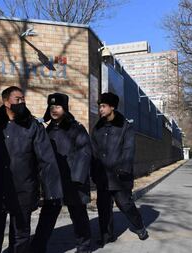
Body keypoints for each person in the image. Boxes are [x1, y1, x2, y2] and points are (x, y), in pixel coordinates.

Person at [0, 86, 63, 253]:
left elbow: (46, 160)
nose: (22, 102)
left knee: (20, 234)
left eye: (23, 99)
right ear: (6, 102)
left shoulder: (33, 126)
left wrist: (52, 191)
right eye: (17, 100)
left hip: (23, 189)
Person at [31, 93, 92, 253]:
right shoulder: (45, 130)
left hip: (73, 182)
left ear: (65, 108)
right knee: (47, 217)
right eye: (51, 107)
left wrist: (77, 178)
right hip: (53, 183)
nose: (54, 110)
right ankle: (38, 247)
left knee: (79, 217)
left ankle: (84, 247)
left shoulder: (76, 129)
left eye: (57, 106)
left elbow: (84, 152)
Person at [91, 92, 149, 247]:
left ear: (112, 107)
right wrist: (94, 171)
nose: (100, 109)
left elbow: (129, 149)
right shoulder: (97, 127)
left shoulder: (125, 126)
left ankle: (139, 226)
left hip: (119, 176)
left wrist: (123, 169)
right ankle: (107, 236)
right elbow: (93, 151)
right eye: (99, 106)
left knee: (125, 204)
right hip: (103, 176)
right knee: (103, 208)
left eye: (103, 106)